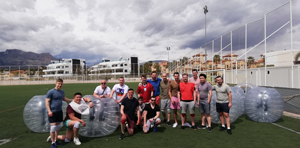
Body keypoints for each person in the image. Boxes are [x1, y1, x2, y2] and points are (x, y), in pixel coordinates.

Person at [45, 79, 73, 148]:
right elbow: (46, 102)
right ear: (55, 83)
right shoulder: (51, 92)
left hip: (59, 111)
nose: (60, 85)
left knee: (58, 127)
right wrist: (49, 111)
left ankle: (55, 139)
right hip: (53, 112)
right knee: (53, 127)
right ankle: (52, 142)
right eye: (59, 83)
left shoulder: (62, 91)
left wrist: (73, 100)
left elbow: (64, 99)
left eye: (61, 84)